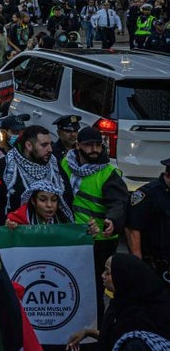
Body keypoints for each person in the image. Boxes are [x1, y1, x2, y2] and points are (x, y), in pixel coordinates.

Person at [60, 127, 130, 319]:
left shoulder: (108, 173)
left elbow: (119, 203)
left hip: (99, 241)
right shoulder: (65, 164)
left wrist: (112, 220)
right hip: (71, 237)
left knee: (94, 291)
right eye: (89, 145)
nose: (94, 149)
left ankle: (96, 331)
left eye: (98, 145)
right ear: (77, 146)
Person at [66, 254, 170, 351]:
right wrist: (87, 332)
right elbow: (115, 336)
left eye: (108, 272)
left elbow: (125, 339)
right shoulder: (121, 302)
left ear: (122, 276)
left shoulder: (140, 321)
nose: (103, 275)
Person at [0, 125, 67, 226]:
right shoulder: (4, 167)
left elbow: (67, 199)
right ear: (28, 145)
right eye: (44, 145)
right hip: (13, 235)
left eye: (50, 144)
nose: (50, 149)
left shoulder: (54, 165)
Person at [125, 157, 170, 282]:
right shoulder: (147, 195)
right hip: (156, 264)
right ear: (167, 175)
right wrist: (138, 263)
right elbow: (133, 228)